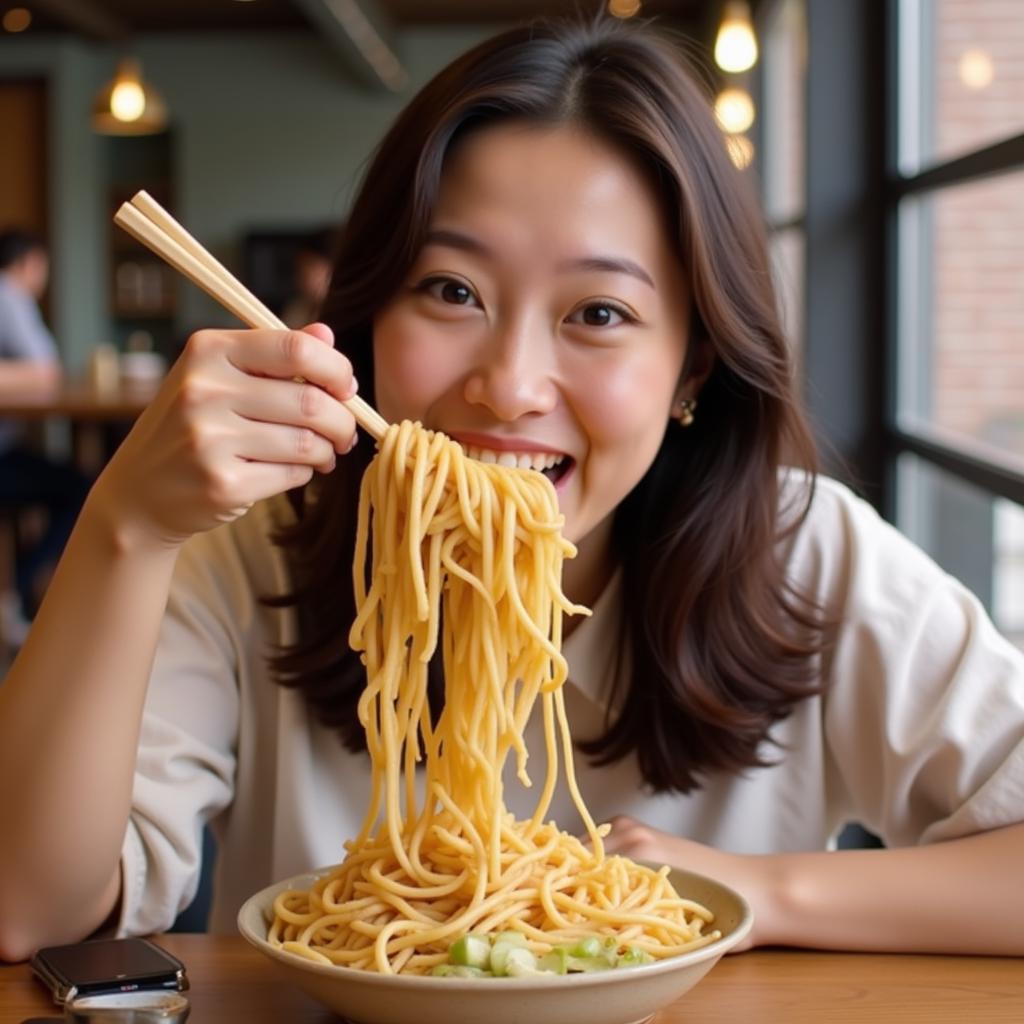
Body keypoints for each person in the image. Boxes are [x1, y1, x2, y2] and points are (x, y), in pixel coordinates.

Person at [1, 16, 1022, 962]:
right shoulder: (251, 544)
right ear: (369, 313)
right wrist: (124, 527)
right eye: (452, 291)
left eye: (600, 312)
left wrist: (761, 896)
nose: (509, 383)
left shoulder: (804, 554)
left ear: (693, 367)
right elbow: (25, 909)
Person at [0, 229, 91, 643]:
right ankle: (17, 591)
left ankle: (18, 592)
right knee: (81, 488)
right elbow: (46, 367)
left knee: (70, 482)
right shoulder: (8, 295)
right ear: (30, 263)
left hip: (10, 448)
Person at [280, 227, 336, 329]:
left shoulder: (349, 312)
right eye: (301, 271)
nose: (306, 280)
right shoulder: (296, 310)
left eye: (314, 269)